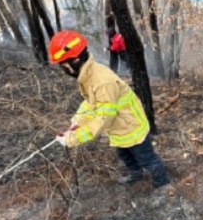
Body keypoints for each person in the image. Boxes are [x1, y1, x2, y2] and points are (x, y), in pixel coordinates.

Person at [50, 30, 171, 188]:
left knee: (147, 159)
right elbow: (91, 102)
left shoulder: (102, 81)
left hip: (131, 127)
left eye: (64, 65)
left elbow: (103, 118)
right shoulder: (89, 75)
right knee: (125, 155)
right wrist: (77, 121)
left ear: (76, 60)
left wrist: (73, 138)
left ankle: (163, 184)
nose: (64, 69)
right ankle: (136, 174)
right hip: (119, 128)